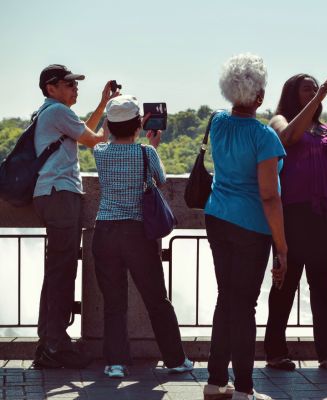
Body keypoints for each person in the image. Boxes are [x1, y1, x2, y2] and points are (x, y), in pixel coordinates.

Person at [264, 74, 327, 371]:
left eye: (315, 86)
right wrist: (318, 98)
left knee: (322, 284)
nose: (314, 90)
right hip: (291, 214)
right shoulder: (279, 120)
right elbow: (288, 139)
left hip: (325, 216)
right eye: (307, 88)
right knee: (285, 283)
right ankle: (275, 352)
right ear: (292, 93)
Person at [203, 53, 287, 400]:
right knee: (244, 305)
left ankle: (214, 381)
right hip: (251, 225)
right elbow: (269, 196)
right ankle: (244, 388)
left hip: (217, 217)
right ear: (260, 97)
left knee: (227, 299)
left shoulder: (217, 123)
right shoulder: (264, 136)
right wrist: (282, 246)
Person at [92, 95, 193, 378]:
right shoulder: (146, 153)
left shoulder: (99, 152)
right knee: (156, 299)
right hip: (137, 232)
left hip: (105, 231)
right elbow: (160, 180)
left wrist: (119, 120)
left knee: (113, 301)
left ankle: (115, 363)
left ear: (110, 125)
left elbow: (101, 136)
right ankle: (174, 359)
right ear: (138, 124)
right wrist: (150, 142)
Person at [33, 64, 117, 369]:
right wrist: (118, 120)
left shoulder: (51, 112)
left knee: (58, 269)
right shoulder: (57, 111)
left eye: (74, 84)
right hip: (60, 195)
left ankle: (50, 342)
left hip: (50, 195)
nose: (74, 87)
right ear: (50, 88)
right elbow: (96, 139)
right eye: (68, 84)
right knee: (61, 271)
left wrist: (102, 106)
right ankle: (55, 345)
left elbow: (85, 132)